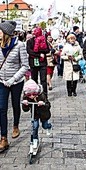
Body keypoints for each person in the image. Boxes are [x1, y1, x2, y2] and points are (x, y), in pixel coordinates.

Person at [0, 21, 29, 152]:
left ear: (6, 33)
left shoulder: (19, 45)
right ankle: (4, 138)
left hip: (16, 82)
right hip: (1, 82)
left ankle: (16, 125)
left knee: (15, 105)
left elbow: (25, 66)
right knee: (2, 109)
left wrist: (13, 79)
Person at [22, 79, 52, 149]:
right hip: (35, 114)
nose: (32, 96)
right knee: (35, 127)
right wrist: (25, 104)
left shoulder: (42, 95)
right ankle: (35, 140)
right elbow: (25, 110)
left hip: (44, 114)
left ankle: (49, 126)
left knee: (45, 125)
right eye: (29, 95)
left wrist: (43, 104)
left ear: (36, 91)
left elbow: (48, 105)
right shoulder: (26, 97)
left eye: (34, 94)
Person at [26, 27, 50, 97]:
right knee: (34, 79)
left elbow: (47, 50)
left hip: (42, 63)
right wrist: (39, 54)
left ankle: (45, 95)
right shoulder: (30, 41)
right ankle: (34, 94)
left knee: (43, 80)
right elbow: (29, 51)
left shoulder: (44, 40)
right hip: (33, 62)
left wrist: (41, 50)